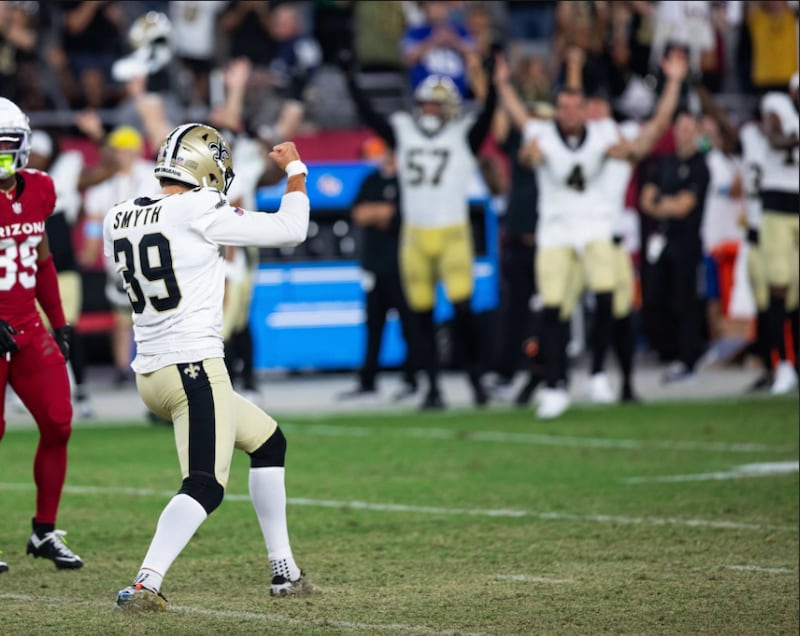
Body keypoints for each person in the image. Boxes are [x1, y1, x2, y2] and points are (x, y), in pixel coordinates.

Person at [105, 124, 312, 610]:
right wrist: (296, 171)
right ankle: (146, 581)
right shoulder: (198, 208)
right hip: (193, 367)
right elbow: (292, 230)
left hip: (152, 373)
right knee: (204, 485)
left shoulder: (122, 213)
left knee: (267, 441)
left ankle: (285, 569)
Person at [498, 48, 688, 418]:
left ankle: (601, 373)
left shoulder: (607, 134)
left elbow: (651, 133)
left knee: (608, 300)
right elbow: (522, 133)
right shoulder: (542, 133)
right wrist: (504, 89)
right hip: (555, 231)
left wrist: (674, 84)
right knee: (552, 309)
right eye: (565, 107)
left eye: (580, 106)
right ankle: (555, 384)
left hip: (599, 229)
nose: (573, 113)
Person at [342, 52, 500, 410]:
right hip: (415, 235)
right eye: (426, 103)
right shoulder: (404, 131)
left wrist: (491, 85)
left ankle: (477, 380)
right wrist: (352, 80)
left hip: (452, 234)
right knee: (419, 317)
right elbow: (370, 117)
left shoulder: (464, 135)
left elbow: (488, 116)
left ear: (449, 107)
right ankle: (431, 387)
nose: (429, 110)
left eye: (436, 104)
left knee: (462, 310)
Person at [0, 97, 84, 573]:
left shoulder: (41, 189)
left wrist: (58, 321)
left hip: (28, 327)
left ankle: (44, 531)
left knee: (58, 421)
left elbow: (43, 258)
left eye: (7, 144)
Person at [338, 136, 419, 402]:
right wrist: (382, 213)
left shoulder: (408, 181)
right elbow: (358, 214)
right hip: (374, 267)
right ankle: (368, 380)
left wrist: (381, 214)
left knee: (410, 326)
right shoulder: (371, 180)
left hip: (403, 266)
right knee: (374, 327)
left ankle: (412, 378)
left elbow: (402, 218)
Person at [80, 125, 160, 387]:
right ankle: (121, 368)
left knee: (155, 316)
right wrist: (90, 246)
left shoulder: (151, 175)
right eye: (118, 151)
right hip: (117, 260)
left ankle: (154, 365)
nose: (123, 156)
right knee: (121, 319)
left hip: (150, 258)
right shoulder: (104, 179)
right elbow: (93, 218)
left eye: (126, 151)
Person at [639, 112, 711, 383]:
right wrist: (666, 204)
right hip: (662, 240)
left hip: (687, 241)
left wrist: (662, 202)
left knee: (685, 300)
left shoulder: (699, 165)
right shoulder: (664, 162)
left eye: (689, 128)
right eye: (680, 127)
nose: (684, 133)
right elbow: (646, 200)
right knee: (657, 296)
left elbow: (684, 207)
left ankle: (689, 356)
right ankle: (669, 352)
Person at [758, 72, 799, 395]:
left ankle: (794, 364)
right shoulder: (777, 107)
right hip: (776, 209)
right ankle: (781, 364)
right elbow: (773, 136)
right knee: (778, 288)